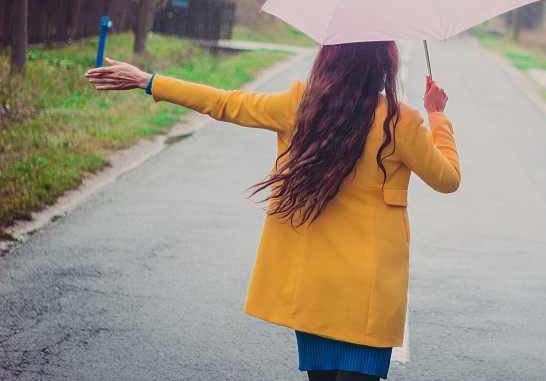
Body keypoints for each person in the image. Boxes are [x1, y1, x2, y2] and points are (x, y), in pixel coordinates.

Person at [84, 41, 460, 380]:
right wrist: (438, 115)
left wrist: (148, 80)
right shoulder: (403, 121)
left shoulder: (303, 104)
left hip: (315, 288)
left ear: (330, 59)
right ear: (384, 65)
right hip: (369, 295)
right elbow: (448, 179)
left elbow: (226, 103)